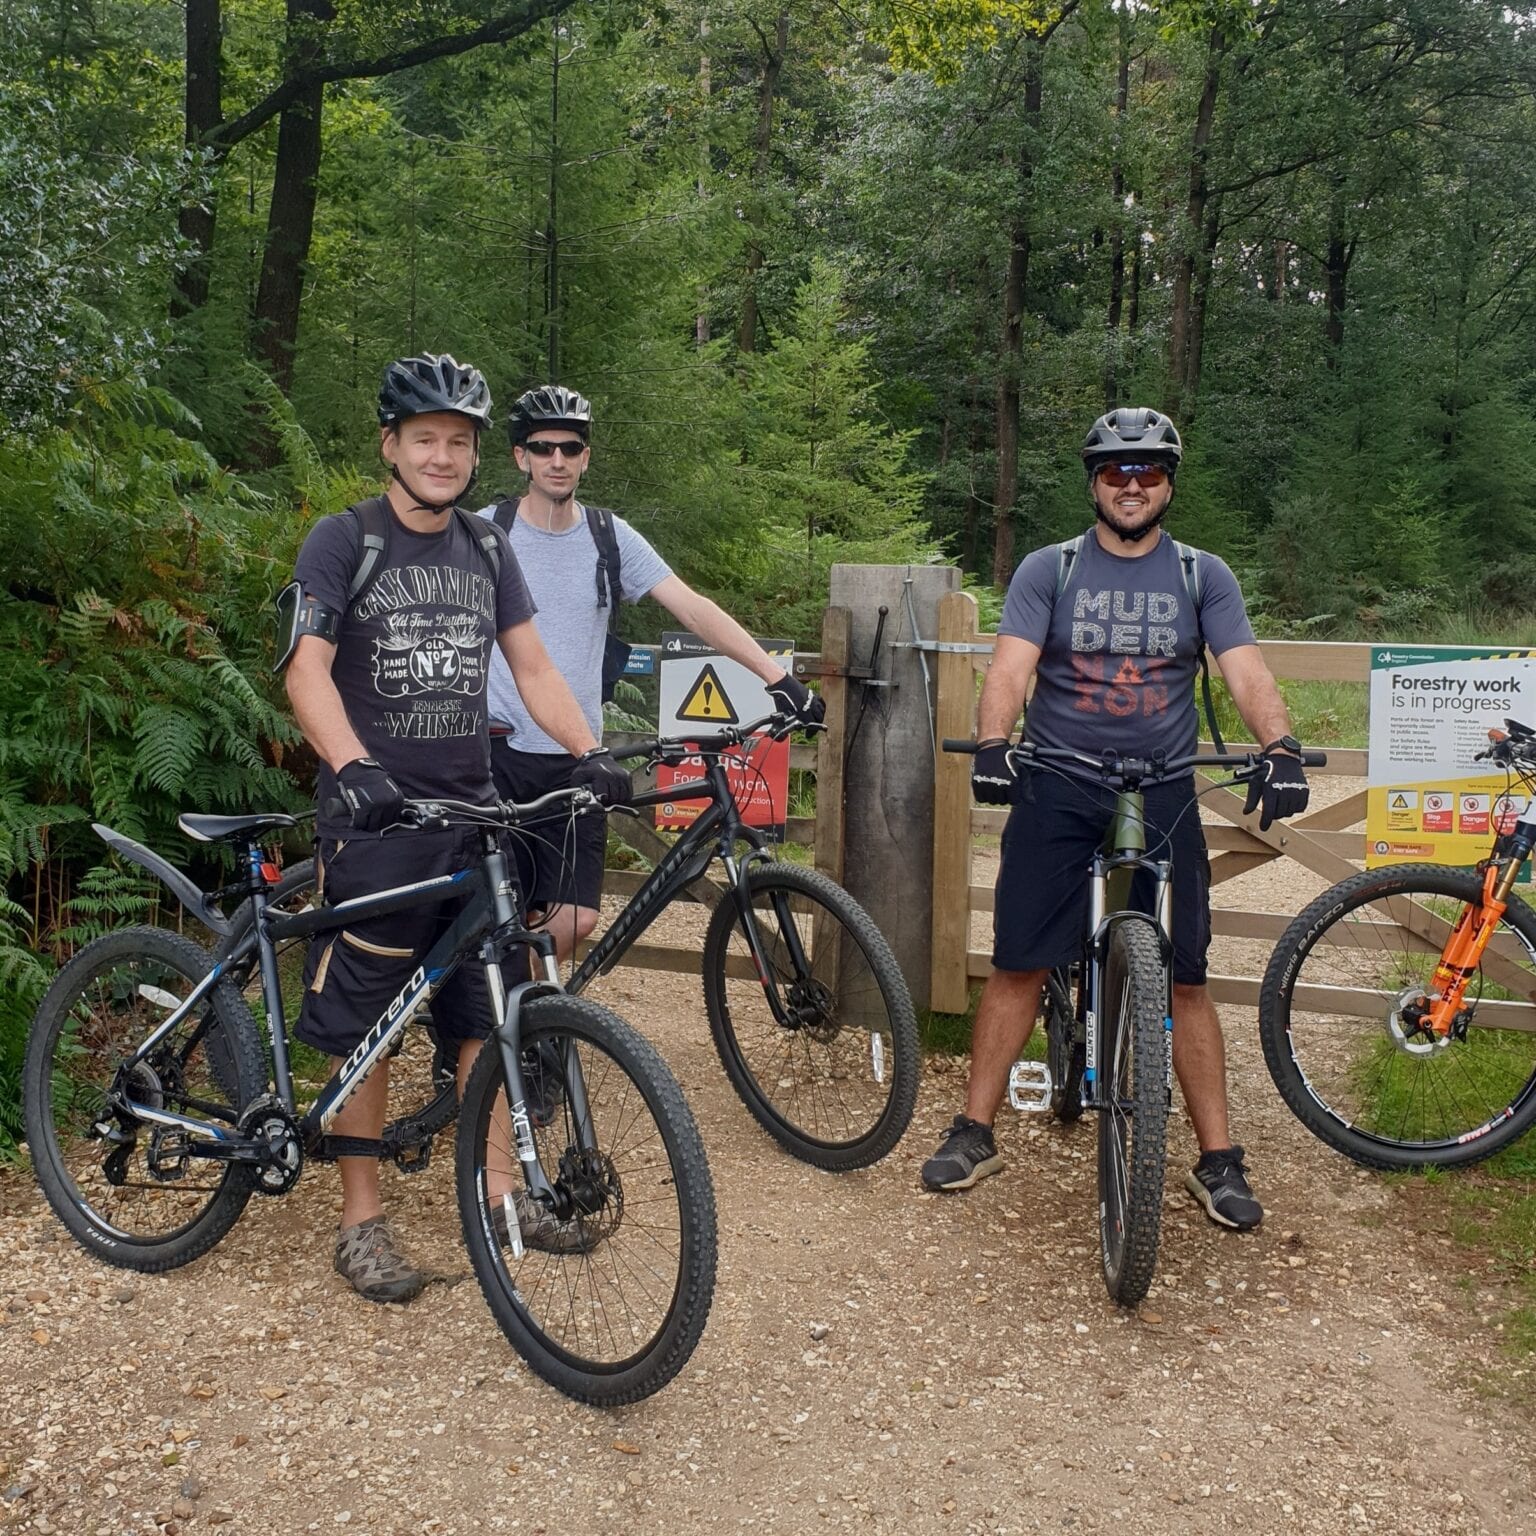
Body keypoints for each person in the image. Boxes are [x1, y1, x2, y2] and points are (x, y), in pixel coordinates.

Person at [281, 354, 633, 1304]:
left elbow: (536, 668)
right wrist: (356, 770)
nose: (444, 455)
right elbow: (306, 670)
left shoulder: (484, 547)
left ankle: (501, 1196)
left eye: (460, 442)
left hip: (475, 816)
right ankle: (360, 1222)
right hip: (380, 825)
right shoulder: (343, 540)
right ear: (391, 445)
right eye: (426, 438)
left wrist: (585, 750)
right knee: (375, 1022)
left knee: (490, 1014)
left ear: (479, 455)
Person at [920, 406, 1309, 1231]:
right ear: (1094, 483)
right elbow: (1011, 667)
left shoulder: (1203, 576)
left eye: (1149, 472)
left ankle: (1216, 1159)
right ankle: (975, 1129)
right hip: (1060, 781)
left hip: (1165, 786)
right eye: (1115, 472)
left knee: (1188, 976)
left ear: (1168, 484)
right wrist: (995, 742)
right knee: (1020, 960)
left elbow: (1244, 670)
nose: (1132, 486)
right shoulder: (1049, 570)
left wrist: (1278, 745)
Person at [477, 384, 824, 963]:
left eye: (570, 447)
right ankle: (498, 1032)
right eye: (542, 448)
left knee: (574, 918)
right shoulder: (487, 531)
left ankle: (519, 1022)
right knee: (499, 913)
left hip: (576, 756)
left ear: (586, 456)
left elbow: (691, 607)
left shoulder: (607, 537)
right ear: (521, 457)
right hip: (497, 755)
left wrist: (778, 678)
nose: (557, 460)